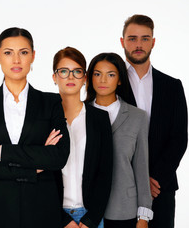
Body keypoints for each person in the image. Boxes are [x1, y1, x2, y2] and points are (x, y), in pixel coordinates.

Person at [0, 27, 70, 228]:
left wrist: (2, 152)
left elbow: (58, 156)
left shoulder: (50, 102)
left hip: (41, 210)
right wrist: (34, 166)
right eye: (8, 53)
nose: (16, 60)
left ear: (33, 56)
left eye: (23, 52)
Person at [119, 14, 187, 228]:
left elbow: (179, 137)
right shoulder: (109, 84)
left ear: (153, 42)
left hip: (160, 189)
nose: (138, 44)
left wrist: (154, 179)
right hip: (120, 190)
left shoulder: (172, 86)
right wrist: (136, 180)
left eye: (145, 38)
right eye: (132, 38)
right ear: (122, 41)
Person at [86, 53, 153, 228]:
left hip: (123, 208)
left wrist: (144, 216)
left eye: (111, 74)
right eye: (97, 73)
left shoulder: (137, 117)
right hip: (86, 209)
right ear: (90, 77)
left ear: (120, 80)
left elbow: (141, 166)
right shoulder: (80, 113)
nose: (103, 80)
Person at [52, 47, 113, 228]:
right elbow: (42, 175)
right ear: (54, 77)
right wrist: (64, 221)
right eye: (63, 71)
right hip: (54, 215)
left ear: (85, 78)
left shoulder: (100, 119)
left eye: (77, 71)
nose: (70, 77)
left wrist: (90, 221)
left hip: (91, 216)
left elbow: (105, 174)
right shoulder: (43, 119)